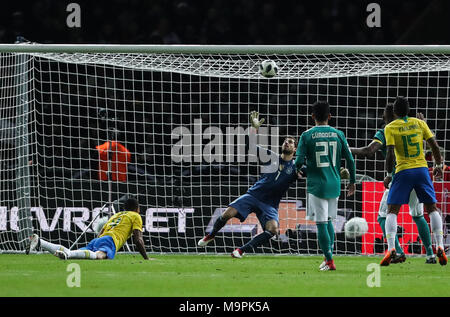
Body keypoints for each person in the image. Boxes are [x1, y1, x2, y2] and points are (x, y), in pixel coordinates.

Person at [197, 110, 300, 258]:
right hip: (253, 195)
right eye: (285, 141)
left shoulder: (296, 167)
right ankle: (211, 235)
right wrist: (253, 128)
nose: (286, 143)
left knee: (273, 230)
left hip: (270, 204)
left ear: (295, 149)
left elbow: (315, 173)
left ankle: (241, 250)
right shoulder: (271, 156)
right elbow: (250, 146)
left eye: (290, 142)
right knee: (226, 214)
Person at [351, 105, 435, 264]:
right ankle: (430, 252)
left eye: (383, 114)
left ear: (386, 117)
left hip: (400, 176)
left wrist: (346, 149)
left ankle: (396, 251)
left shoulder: (386, 130)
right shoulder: (412, 127)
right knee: (418, 215)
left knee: (384, 215)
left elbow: (369, 150)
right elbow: (424, 150)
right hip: (418, 174)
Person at [381, 96, 447, 266]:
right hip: (422, 170)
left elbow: (389, 154)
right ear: (409, 110)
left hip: (403, 171)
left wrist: (389, 173)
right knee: (431, 209)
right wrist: (439, 164)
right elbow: (434, 145)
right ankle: (439, 246)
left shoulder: (390, 127)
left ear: (394, 112)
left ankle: (392, 249)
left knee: (392, 211)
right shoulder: (420, 123)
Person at [295, 100, 356, 271]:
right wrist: (352, 182)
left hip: (317, 185)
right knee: (329, 220)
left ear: (312, 116)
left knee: (321, 222)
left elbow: (299, 161)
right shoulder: (339, 134)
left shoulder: (306, 135)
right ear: (330, 116)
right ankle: (327, 256)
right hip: (335, 183)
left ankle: (330, 261)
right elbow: (350, 160)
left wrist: (297, 170)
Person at [26, 197, 149, 260]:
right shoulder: (136, 216)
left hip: (98, 239)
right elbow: (138, 239)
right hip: (111, 240)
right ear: (137, 208)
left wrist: (98, 241)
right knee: (99, 256)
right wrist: (146, 258)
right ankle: (67, 255)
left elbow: (100, 231)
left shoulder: (116, 215)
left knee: (75, 252)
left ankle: (40, 242)